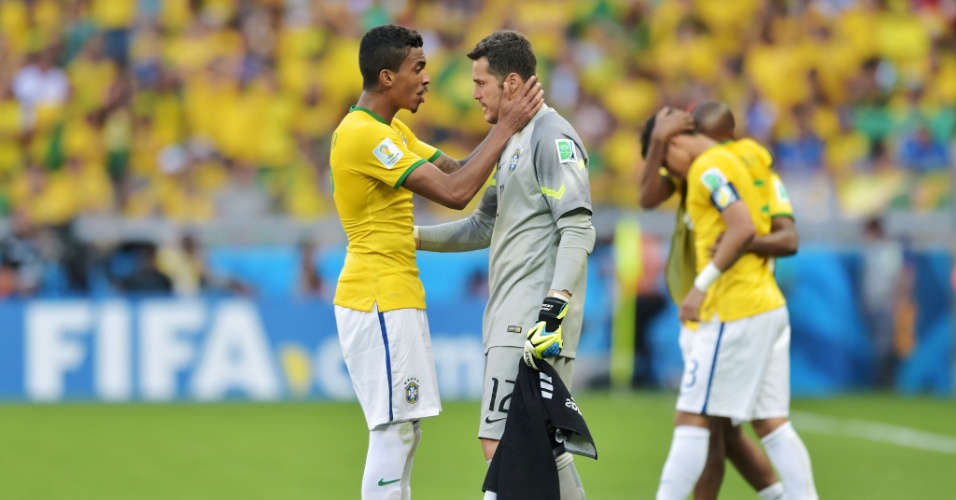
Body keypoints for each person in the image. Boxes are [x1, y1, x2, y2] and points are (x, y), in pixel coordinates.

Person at [329, 24, 543, 500]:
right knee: (394, 431)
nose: (427, 79)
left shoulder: (391, 130)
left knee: (407, 432)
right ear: (387, 77)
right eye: (418, 68)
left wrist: (516, 152)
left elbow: (456, 167)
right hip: (376, 296)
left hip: (394, 292)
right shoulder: (363, 135)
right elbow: (455, 192)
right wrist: (506, 126)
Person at [414, 31, 594, 500]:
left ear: (511, 83)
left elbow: (578, 228)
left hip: (532, 322)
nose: (473, 93)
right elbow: (481, 227)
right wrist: (411, 238)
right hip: (512, 316)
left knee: (502, 445)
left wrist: (553, 309)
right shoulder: (513, 141)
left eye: (481, 83)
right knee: (541, 448)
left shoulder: (552, 137)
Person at [641, 109, 818, 500]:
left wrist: (702, 285)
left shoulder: (709, 168)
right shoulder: (753, 162)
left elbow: (745, 228)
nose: (672, 171)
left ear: (681, 140)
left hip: (730, 309)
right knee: (769, 424)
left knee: (694, 418)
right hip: (766, 302)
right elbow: (649, 196)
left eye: (667, 153)